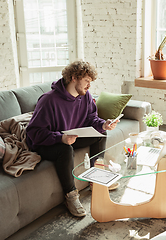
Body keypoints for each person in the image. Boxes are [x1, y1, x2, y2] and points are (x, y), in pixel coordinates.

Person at [26, 60, 119, 217]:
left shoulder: (85, 96)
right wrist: (60, 138)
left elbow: (91, 118)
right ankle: (71, 195)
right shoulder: (48, 100)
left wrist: (103, 124)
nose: (89, 86)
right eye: (86, 81)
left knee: (100, 133)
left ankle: (96, 179)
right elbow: (33, 133)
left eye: (90, 82)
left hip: (71, 136)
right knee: (65, 149)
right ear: (74, 77)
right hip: (47, 142)